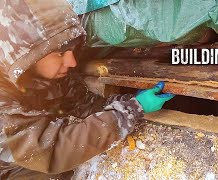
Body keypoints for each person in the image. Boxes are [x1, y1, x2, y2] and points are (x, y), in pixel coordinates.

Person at [0, 0, 174, 179]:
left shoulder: (48, 74)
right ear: (26, 57)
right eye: (60, 54)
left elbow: (85, 105)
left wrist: (130, 102)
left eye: (71, 51)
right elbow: (51, 150)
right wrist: (132, 110)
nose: (72, 62)